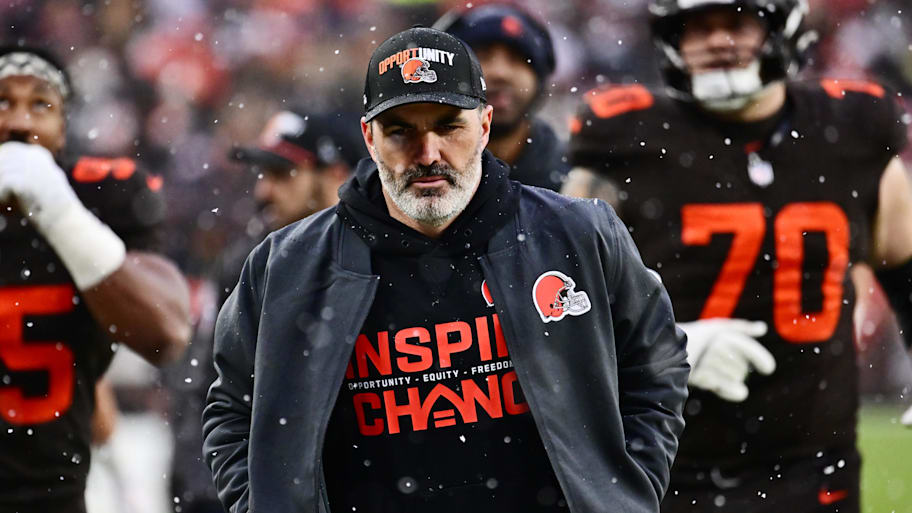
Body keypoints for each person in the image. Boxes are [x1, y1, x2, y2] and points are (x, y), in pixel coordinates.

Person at [203, 26, 689, 513]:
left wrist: (624, 492)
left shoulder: (578, 235)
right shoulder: (285, 265)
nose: (428, 153)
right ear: (369, 138)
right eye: (401, 130)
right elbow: (230, 411)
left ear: (484, 125)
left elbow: (656, 367)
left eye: (448, 125)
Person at [564, 1, 912, 511]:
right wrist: (668, 347)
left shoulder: (851, 128)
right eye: (698, 26)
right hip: (667, 455)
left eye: (737, 23)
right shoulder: (627, 137)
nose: (718, 40)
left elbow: (902, 259)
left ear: (781, 27)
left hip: (813, 457)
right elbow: (564, 293)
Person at [0, 44, 191, 512]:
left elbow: (166, 334)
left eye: (40, 104)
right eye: (2, 102)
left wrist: (58, 211)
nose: (20, 122)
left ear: (63, 130)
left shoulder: (100, 199)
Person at [166, 109, 365, 513]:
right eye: (263, 175)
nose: (263, 191)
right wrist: (206, 491)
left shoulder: (380, 260)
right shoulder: (247, 265)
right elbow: (208, 387)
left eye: (282, 173)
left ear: (334, 175)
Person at [435, 4, 569, 191]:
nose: (500, 73)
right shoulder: (405, 171)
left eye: (517, 59)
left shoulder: (573, 177)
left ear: (539, 79)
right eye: (482, 55)